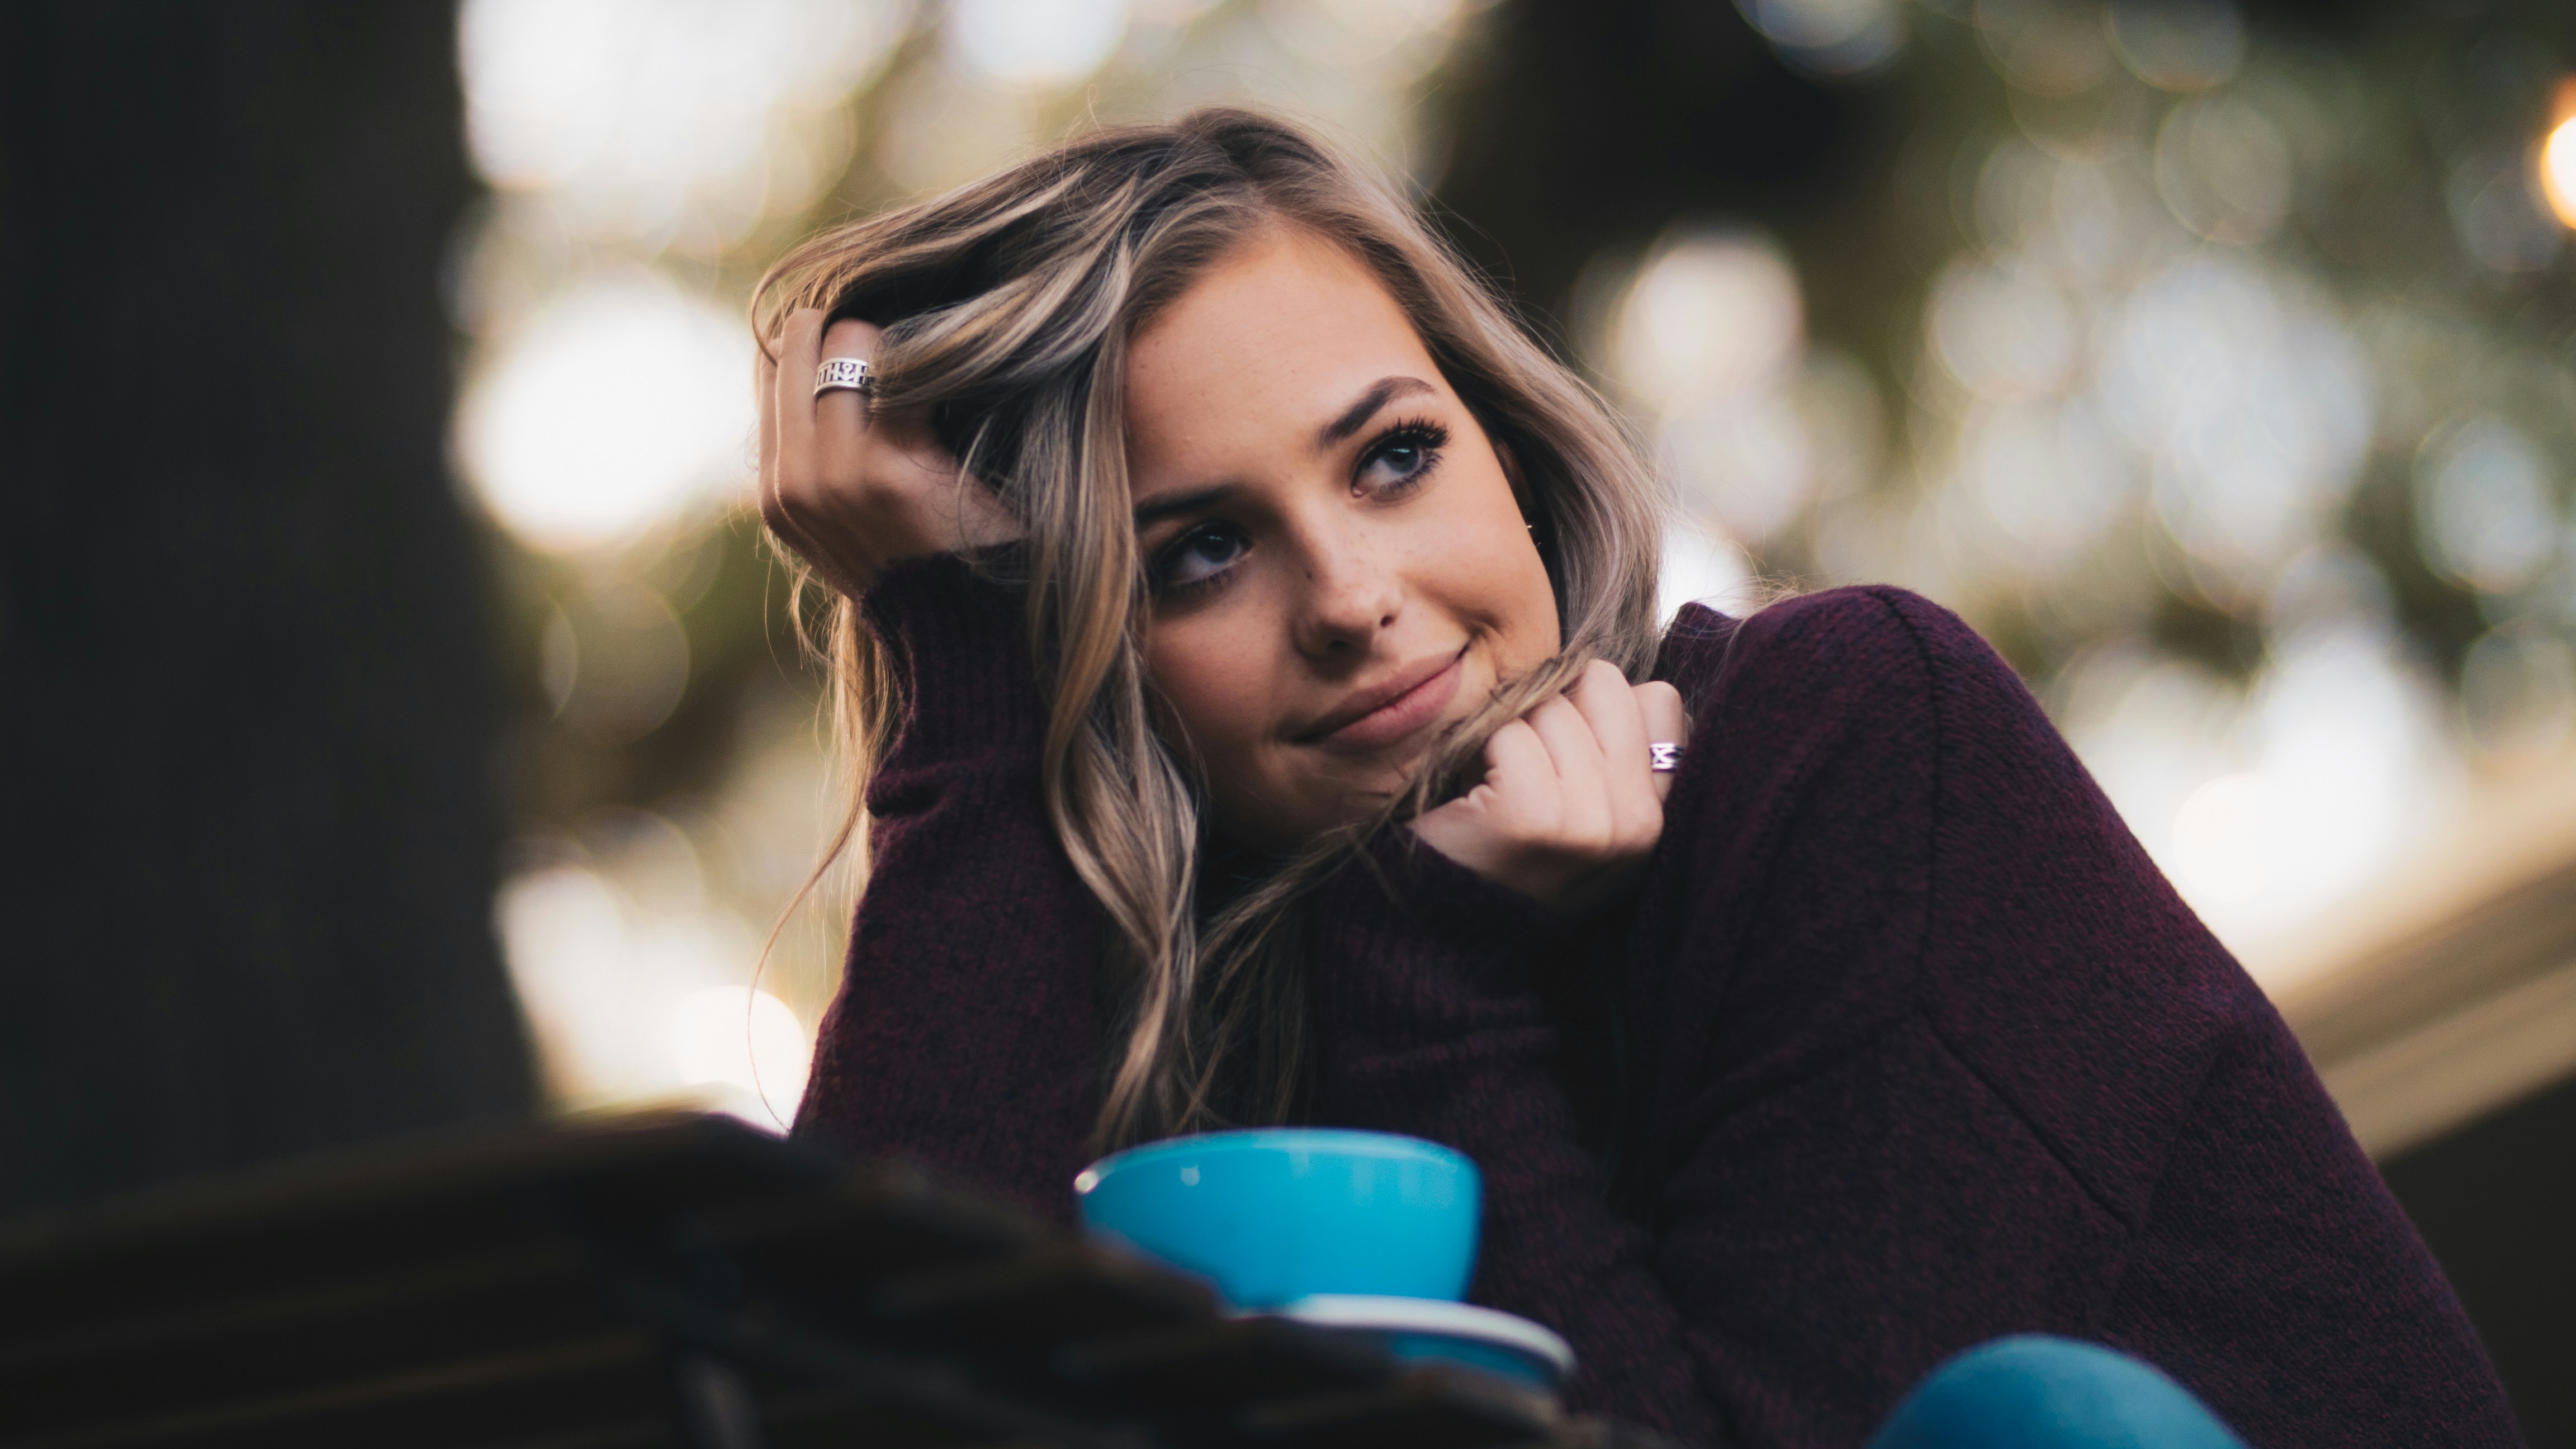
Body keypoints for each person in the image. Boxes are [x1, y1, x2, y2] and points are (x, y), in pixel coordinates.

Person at [749, 109, 2520, 1447]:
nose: (1356, 600)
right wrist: (961, 703)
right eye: (1199, 556)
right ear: (1087, 652)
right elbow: (830, 1407)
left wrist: (1436, 983)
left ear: (1506, 448)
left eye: (1393, 457)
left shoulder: (1838, 743)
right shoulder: (1186, 1063)